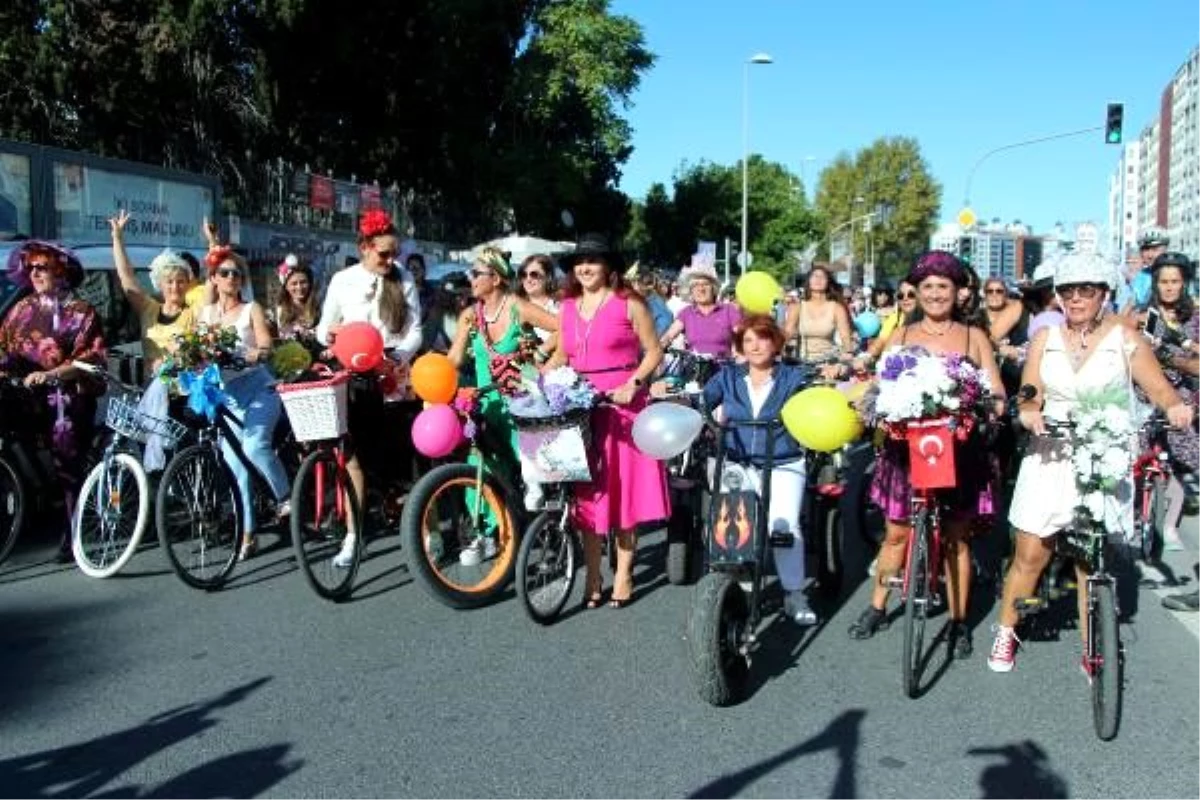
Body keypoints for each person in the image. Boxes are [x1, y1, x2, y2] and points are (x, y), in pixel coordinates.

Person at [988, 252, 1193, 672]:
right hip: (1052, 450)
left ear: (1103, 294)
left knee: (1090, 557)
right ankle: (1007, 632)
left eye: (1087, 290)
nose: (1076, 298)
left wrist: (1175, 406)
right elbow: (1029, 388)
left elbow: (1158, 388)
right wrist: (1028, 410)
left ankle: (1092, 643)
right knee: (1031, 553)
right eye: (1067, 291)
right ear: (1059, 296)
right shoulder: (1047, 337)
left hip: (1104, 452)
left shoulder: (1125, 338)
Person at [848, 251, 1006, 659]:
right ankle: (878, 606)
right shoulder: (901, 336)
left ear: (958, 292)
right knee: (897, 533)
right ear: (916, 293)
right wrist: (872, 404)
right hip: (906, 451)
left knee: (956, 539)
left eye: (944, 287)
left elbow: (995, 390)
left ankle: (957, 622)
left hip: (960, 452)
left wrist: (992, 405)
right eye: (928, 287)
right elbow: (880, 387)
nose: (936, 294)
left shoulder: (974, 337)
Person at [547, 233, 669, 608]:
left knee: (623, 493)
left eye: (593, 261)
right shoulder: (567, 308)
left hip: (622, 406)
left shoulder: (629, 303)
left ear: (609, 267)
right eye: (579, 262)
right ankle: (593, 573)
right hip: (580, 408)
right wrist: (534, 384)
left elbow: (654, 352)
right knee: (587, 495)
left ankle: (624, 573)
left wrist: (634, 383)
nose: (584, 268)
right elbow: (561, 356)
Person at [317, 210, 423, 566]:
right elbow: (323, 328)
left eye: (394, 253)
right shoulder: (342, 280)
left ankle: (429, 531)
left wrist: (399, 356)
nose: (390, 260)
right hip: (356, 377)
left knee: (409, 459)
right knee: (353, 460)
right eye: (383, 254)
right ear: (364, 247)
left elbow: (415, 330)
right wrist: (331, 337)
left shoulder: (403, 278)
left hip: (392, 374)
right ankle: (354, 534)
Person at [702, 314, 817, 624]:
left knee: (783, 526)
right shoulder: (727, 377)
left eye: (762, 338)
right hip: (737, 460)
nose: (755, 346)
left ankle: (794, 593)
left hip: (783, 461)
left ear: (775, 342)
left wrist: (833, 373)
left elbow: (816, 397)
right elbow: (703, 400)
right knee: (733, 526)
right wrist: (687, 402)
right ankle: (739, 585)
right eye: (748, 340)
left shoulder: (794, 377)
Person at [0, 241, 106, 558]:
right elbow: (5, 349)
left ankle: (73, 531)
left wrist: (52, 374)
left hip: (66, 396)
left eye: (42, 267)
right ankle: (29, 494)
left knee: (66, 453)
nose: (35, 273)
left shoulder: (81, 312)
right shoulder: (21, 309)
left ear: (59, 270)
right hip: (27, 396)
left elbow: (91, 358)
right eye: (31, 267)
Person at [447, 247, 558, 523]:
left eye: (476, 274)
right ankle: (485, 528)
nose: (470, 279)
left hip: (522, 400)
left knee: (527, 463)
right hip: (486, 402)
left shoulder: (517, 307)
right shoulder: (470, 315)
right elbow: (454, 360)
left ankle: (544, 515)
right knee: (479, 464)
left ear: (495, 279)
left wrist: (541, 354)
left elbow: (564, 327)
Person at [197, 245, 291, 561]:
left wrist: (256, 352)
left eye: (237, 273)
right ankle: (247, 535)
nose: (231, 278)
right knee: (237, 471)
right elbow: (194, 351)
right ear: (213, 278)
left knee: (254, 447)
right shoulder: (206, 315)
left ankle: (285, 497)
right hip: (227, 397)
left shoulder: (251, 309)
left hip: (260, 390)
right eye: (224, 273)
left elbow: (266, 344)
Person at [1135, 252, 1200, 554]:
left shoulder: (1195, 318)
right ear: (1155, 284)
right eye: (1164, 282)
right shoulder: (1144, 315)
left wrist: (1174, 356)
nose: (1170, 287)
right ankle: (1136, 517)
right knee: (1133, 457)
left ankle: (1170, 525)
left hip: (1182, 397)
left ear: (1184, 283)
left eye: (1175, 281)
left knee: (1181, 462)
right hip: (1144, 393)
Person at [658, 264, 741, 358]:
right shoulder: (686, 313)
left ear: (713, 289)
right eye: (695, 285)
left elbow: (743, 335)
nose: (701, 289)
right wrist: (657, 348)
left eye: (705, 284)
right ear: (691, 291)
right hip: (694, 368)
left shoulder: (728, 310)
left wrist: (738, 352)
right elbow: (669, 335)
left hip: (723, 368)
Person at [783, 265, 853, 364]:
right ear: (809, 281)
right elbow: (788, 332)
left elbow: (845, 336)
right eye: (814, 276)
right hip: (802, 361)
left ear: (828, 282)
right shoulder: (798, 306)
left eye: (822, 277)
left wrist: (849, 352)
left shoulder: (837, 308)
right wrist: (778, 350)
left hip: (829, 360)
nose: (818, 279)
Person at [515, 254, 561, 348]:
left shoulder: (560, 309)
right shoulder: (514, 308)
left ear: (547, 277)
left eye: (534, 274)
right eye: (523, 274)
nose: (528, 279)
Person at [1123, 227, 1171, 314]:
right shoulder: (1142, 275)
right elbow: (1130, 303)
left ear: (1165, 250)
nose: (1150, 255)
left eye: (1155, 249)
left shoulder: (1175, 272)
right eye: (1146, 249)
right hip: (1146, 321)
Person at [272, 255, 320, 342]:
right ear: (286, 287)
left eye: (303, 282)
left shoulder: (318, 306)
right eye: (294, 283)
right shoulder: (279, 308)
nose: (299, 287)